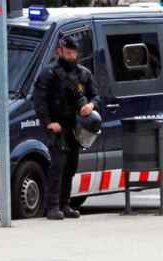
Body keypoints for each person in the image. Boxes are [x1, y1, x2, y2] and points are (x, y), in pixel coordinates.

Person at [33, 35, 100, 220]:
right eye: (68, 53)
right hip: (57, 125)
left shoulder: (83, 74)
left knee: (71, 165)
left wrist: (91, 106)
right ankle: (52, 206)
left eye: (73, 53)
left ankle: (65, 204)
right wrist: (48, 123)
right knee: (57, 166)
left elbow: (96, 96)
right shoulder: (49, 74)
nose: (71, 56)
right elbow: (39, 101)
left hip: (77, 126)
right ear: (59, 52)